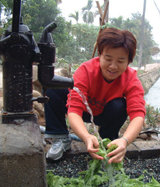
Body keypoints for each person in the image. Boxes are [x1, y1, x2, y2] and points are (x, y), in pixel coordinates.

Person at [44, 27, 146, 163]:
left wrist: (125, 140)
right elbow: (74, 109)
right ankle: (60, 137)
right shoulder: (86, 70)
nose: (113, 66)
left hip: (106, 114)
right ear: (100, 54)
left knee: (120, 105)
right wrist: (86, 137)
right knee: (53, 89)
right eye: (108, 58)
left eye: (121, 61)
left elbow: (138, 114)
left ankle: (108, 143)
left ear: (129, 61)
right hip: (85, 111)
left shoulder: (131, 79)